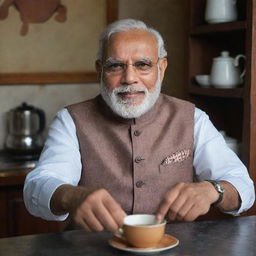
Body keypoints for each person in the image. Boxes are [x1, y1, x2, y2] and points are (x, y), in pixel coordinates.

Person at [24, 19, 255, 233]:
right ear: (100, 70)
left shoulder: (193, 118)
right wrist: (70, 197)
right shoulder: (71, 120)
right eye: (115, 66)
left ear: (161, 68)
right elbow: (38, 184)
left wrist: (213, 191)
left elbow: (243, 186)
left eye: (142, 64)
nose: (129, 78)